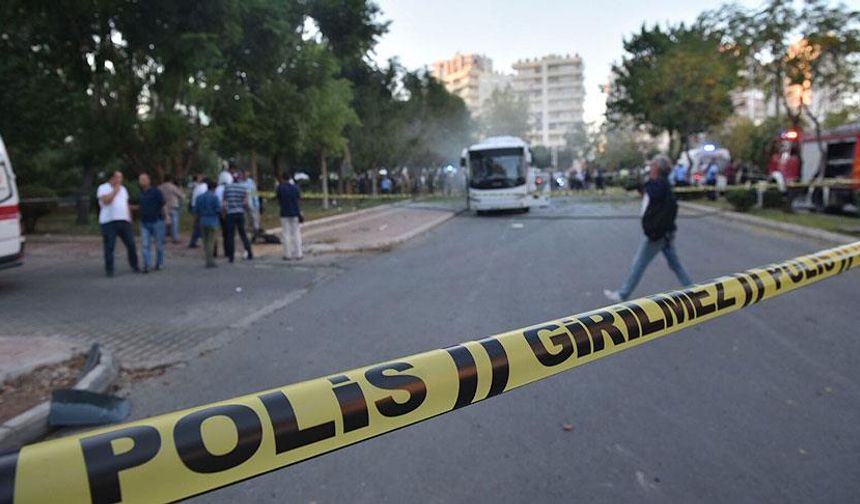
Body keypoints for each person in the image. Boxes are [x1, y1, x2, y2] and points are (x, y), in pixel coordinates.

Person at [604, 155, 692, 302]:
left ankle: (622, 294)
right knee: (675, 265)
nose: (650, 168)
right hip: (666, 232)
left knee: (639, 263)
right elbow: (649, 195)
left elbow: (652, 192)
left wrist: (645, 182)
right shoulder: (662, 184)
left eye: (652, 165)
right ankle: (694, 291)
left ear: (657, 168)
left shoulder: (657, 184)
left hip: (657, 234)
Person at [97, 171, 140, 277]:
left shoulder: (124, 189)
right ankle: (109, 269)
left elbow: (126, 204)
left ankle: (135, 265)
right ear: (111, 178)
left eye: (121, 177)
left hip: (124, 221)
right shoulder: (103, 187)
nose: (119, 180)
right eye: (117, 177)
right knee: (109, 246)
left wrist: (130, 219)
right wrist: (115, 190)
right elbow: (106, 201)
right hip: (109, 222)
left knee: (131, 244)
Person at [137, 173, 168, 273]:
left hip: (157, 221)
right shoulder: (141, 193)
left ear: (149, 180)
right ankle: (147, 264)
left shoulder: (156, 192)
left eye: (144, 179)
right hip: (144, 222)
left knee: (159, 245)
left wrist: (167, 216)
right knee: (145, 245)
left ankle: (159, 263)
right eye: (140, 179)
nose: (142, 181)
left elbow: (163, 204)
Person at [222, 171, 253, 262]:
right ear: (239, 179)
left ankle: (231, 256)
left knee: (230, 235)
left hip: (230, 214)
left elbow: (224, 202)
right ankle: (249, 252)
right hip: (240, 213)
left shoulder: (227, 188)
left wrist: (224, 212)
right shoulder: (243, 188)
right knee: (243, 234)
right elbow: (246, 203)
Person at [194, 179, 221, 268]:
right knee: (211, 242)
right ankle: (210, 261)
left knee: (205, 242)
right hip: (212, 221)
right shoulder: (214, 197)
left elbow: (196, 211)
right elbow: (218, 210)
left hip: (202, 220)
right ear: (214, 188)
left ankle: (207, 259)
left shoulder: (199, 197)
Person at [277, 172, 303, 261]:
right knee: (296, 233)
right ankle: (299, 254)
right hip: (295, 212)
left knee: (286, 234)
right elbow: (299, 198)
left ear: (283, 179)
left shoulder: (280, 188)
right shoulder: (296, 188)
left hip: (284, 213)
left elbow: (278, 199)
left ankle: (287, 254)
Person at [159, 174, 185, 244]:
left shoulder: (160, 187)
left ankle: (162, 238)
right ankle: (175, 238)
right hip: (173, 206)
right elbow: (181, 195)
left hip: (163, 207)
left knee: (164, 223)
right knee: (174, 223)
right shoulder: (172, 187)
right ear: (170, 180)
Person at [241, 170, 261, 240]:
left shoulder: (251, 182)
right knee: (245, 220)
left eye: (246, 173)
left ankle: (256, 234)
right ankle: (246, 235)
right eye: (243, 174)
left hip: (251, 204)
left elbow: (254, 193)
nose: (245, 175)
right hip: (242, 206)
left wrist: (256, 204)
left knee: (254, 219)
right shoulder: (239, 182)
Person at [188, 174, 207, 248]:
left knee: (197, 226)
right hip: (198, 208)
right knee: (200, 226)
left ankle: (193, 241)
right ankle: (204, 241)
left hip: (194, 207)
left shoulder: (199, 187)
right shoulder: (204, 187)